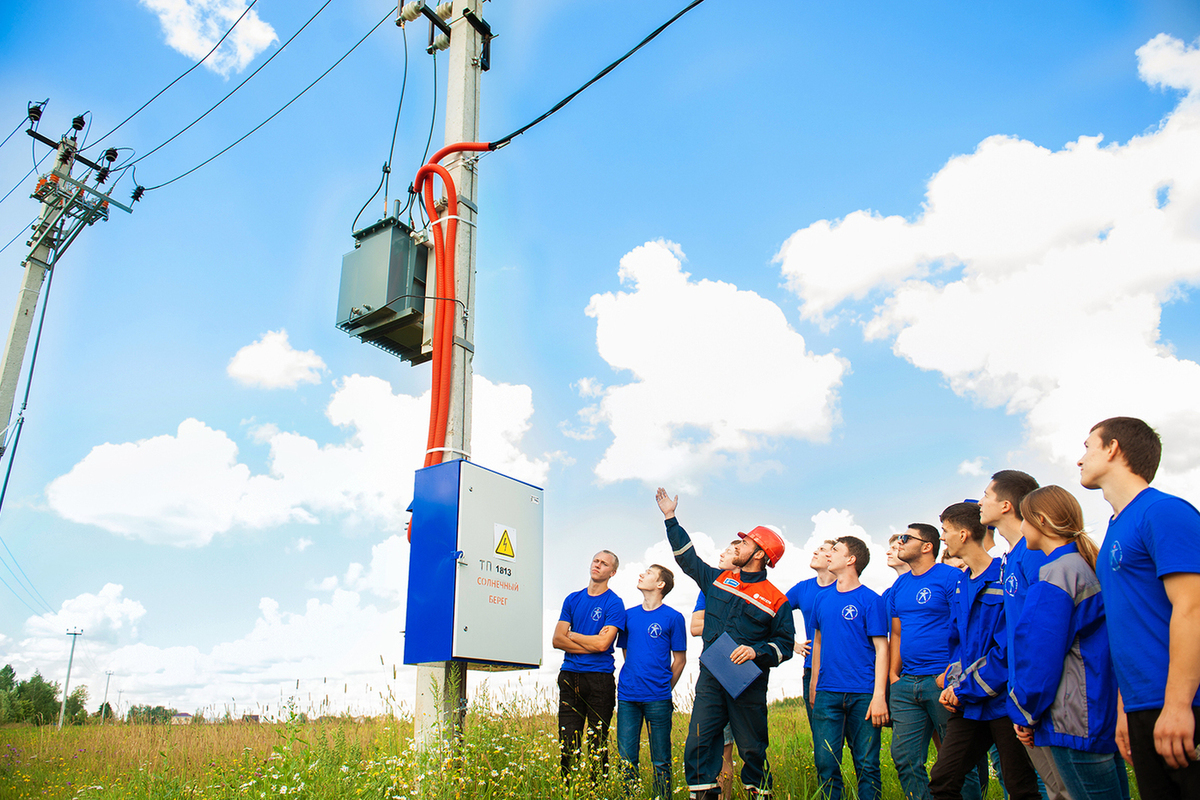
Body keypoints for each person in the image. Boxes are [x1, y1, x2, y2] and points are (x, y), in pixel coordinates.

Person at [1079, 416, 1200, 798]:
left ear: (1113, 448)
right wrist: (1123, 707)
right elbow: (1126, 625)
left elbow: (1193, 607)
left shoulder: (1163, 512)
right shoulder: (1117, 525)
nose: (1079, 460)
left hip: (1185, 704)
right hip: (1142, 706)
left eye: (1087, 447)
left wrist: (1179, 705)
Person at [656, 487, 794, 800]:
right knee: (699, 741)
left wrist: (756, 651)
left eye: (745, 543)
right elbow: (688, 559)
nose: (739, 545)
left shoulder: (777, 599)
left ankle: (761, 793)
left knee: (751, 747)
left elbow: (784, 644)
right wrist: (670, 518)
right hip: (711, 677)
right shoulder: (718, 579)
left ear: (759, 554)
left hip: (748, 681)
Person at [1008, 486, 1125, 800]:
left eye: (1025, 519)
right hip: (1098, 709)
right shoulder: (1086, 563)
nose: (1020, 528)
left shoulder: (1056, 573)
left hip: (1073, 717)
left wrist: (1025, 712)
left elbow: (1040, 655)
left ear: (1042, 521)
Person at [929, 502, 1040, 800]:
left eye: (945, 531)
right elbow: (958, 646)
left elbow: (1008, 648)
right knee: (942, 778)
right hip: (970, 706)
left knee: (1019, 786)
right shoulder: (960, 585)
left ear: (964, 534)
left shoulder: (1004, 577)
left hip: (1003, 703)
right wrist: (953, 683)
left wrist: (963, 687)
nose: (943, 538)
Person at [979, 470, 1073, 800]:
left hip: (1048, 698)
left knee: (1065, 789)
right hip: (1025, 695)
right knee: (1053, 788)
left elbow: (1045, 634)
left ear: (1006, 505)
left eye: (986, 496)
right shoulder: (1012, 556)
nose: (980, 502)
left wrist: (1030, 703)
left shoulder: (1035, 555)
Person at [889, 523, 979, 800]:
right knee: (904, 758)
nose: (899, 542)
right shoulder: (900, 584)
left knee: (957, 761)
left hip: (941, 682)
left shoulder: (952, 578)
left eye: (906, 538)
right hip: (907, 685)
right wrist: (894, 676)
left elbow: (967, 627)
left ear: (927, 546)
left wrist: (951, 673)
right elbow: (897, 631)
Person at [809, 535, 889, 800]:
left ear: (851, 559)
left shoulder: (871, 600)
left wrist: (879, 696)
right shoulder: (822, 599)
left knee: (867, 765)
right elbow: (818, 642)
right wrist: (814, 684)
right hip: (827, 692)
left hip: (863, 693)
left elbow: (882, 648)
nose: (829, 554)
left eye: (836, 550)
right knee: (826, 763)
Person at [552, 550, 627, 782]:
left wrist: (573, 635)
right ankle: (569, 790)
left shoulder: (614, 603)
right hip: (569, 676)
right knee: (567, 742)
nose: (598, 565)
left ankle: (597, 790)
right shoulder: (573, 599)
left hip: (599, 679)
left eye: (604, 564)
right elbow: (557, 639)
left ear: (612, 572)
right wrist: (592, 644)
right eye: (596, 560)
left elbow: (604, 643)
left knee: (598, 744)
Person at [617, 564, 688, 798]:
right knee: (627, 759)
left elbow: (679, 660)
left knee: (661, 761)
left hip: (658, 698)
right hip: (628, 697)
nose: (641, 574)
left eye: (648, 573)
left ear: (661, 584)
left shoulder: (674, 618)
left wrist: (664, 688)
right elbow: (626, 652)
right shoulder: (628, 616)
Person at [691, 540, 741, 800]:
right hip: (713, 668)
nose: (721, 554)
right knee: (708, 743)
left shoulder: (750, 587)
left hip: (739, 674)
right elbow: (695, 626)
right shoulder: (710, 585)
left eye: (729, 551)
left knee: (728, 752)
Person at [786, 540, 837, 723]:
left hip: (842, 669)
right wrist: (792, 643)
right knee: (820, 733)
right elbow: (775, 612)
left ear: (833, 556)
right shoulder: (803, 588)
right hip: (812, 669)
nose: (815, 552)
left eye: (822, 550)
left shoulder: (845, 588)